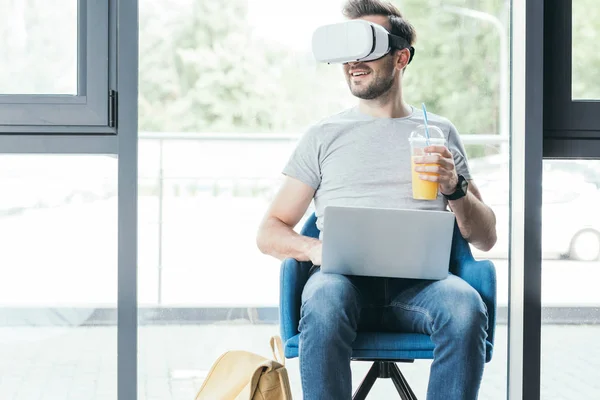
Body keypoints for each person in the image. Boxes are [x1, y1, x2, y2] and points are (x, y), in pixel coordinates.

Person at [256, 0, 497, 399]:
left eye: (366, 49)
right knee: (326, 298)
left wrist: (454, 189)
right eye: (347, 54)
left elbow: (486, 237)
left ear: (401, 57)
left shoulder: (438, 132)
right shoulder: (324, 135)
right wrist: (316, 249)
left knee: (464, 307)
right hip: (341, 284)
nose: (353, 63)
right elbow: (268, 231)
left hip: (423, 290)